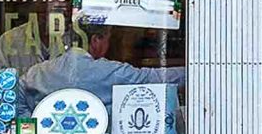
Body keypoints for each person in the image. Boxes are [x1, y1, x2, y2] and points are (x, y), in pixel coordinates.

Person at [19, 26, 186, 113]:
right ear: (96, 40)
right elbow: (153, 78)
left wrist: (32, 126)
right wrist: (197, 72)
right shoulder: (108, 72)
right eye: (108, 39)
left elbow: (16, 93)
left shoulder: (38, 72)